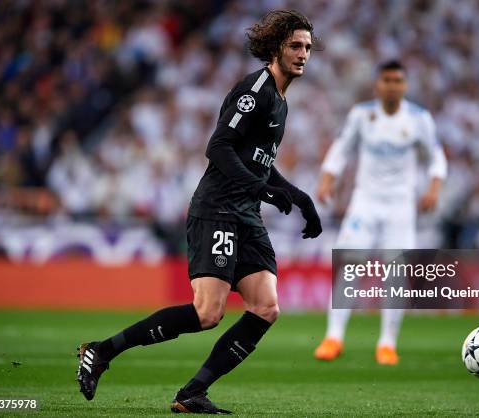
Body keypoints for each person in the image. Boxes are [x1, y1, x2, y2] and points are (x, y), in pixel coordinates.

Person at [76, 10, 322, 414]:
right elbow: (219, 147)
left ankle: (192, 393)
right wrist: (261, 189)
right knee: (208, 313)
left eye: (308, 47)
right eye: (295, 45)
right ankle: (102, 351)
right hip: (218, 210)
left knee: (266, 307)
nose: (303, 54)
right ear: (276, 47)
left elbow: (260, 161)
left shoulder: (281, 100)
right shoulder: (256, 89)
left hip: (245, 214)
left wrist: (298, 197)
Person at [313, 60, 447, 365]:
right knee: (350, 267)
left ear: (405, 85)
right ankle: (333, 337)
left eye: (397, 80)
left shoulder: (418, 119)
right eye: (387, 79)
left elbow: (436, 157)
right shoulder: (362, 115)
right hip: (365, 201)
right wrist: (326, 180)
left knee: (395, 273)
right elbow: (341, 148)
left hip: (400, 205)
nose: (392, 85)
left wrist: (434, 189)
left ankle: (387, 343)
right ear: (377, 84)